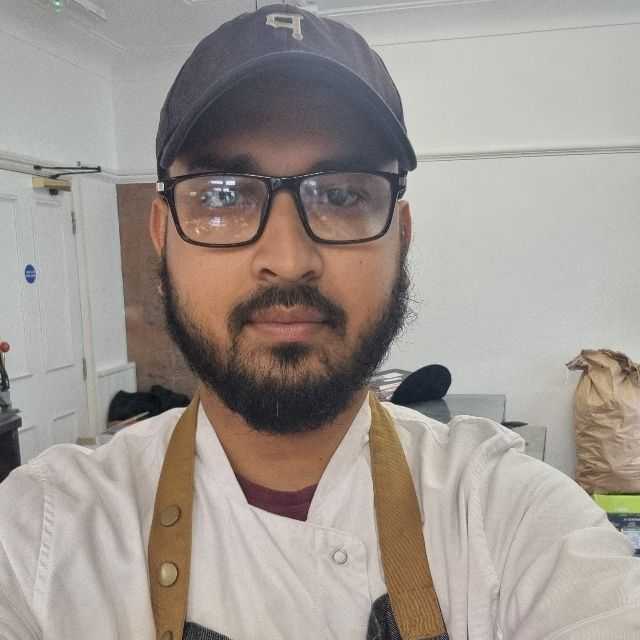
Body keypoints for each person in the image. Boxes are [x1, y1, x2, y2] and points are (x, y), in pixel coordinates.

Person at [1, 4, 638, 639]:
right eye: (223, 194)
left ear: (401, 234)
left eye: (341, 194)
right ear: (163, 234)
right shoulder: (42, 538)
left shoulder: (508, 517)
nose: (288, 260)